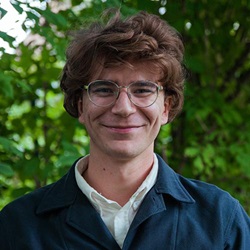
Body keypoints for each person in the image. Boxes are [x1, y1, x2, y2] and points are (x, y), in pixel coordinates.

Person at [0, 9, 250, 250]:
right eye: (104, 89)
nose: (123, 108)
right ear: (80, 106)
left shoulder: (221, 220)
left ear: (166, 107)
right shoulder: (17, 227)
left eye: (142, 90)